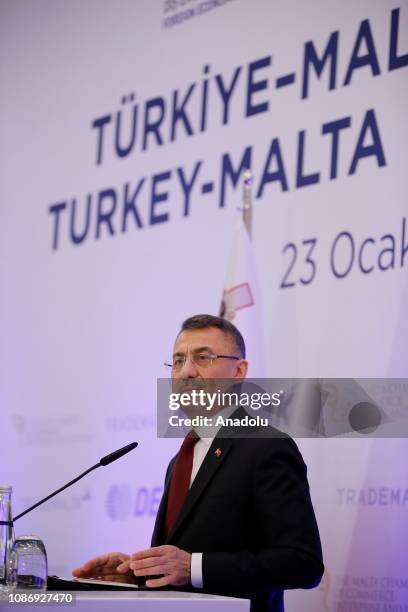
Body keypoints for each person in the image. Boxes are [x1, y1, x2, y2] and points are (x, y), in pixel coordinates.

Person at [73, 314, 324, 611]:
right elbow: (181, 564)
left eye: (202, 357)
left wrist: (193, 566)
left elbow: (302, 563)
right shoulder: (179, 459)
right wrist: (139, 574)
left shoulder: (266, 447)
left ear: (239, 370)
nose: (186, 372)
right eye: (177, 361)